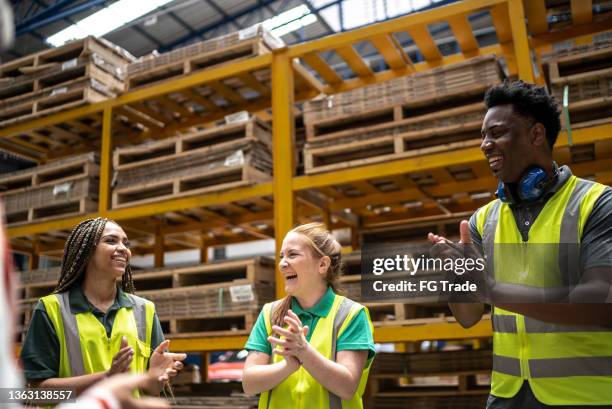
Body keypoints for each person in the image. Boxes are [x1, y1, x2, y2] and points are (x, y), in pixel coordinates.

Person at [428, 81, 612, 408]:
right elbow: (468, 316)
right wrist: (458, 277)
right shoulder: (482, 220)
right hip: (507, 395)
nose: (485, 145)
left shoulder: (596, 204)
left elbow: (601, 301)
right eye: (482, 136)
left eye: (496, 133)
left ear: (536, 134)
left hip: (584, 396)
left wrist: (493, 290)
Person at [20, 217, 186, 396]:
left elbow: (151, 390)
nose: (123, 248)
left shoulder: (144, 310)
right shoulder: (51, 309)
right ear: (86, 251)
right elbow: (33, 393)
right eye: (111, 240)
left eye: (126, 243)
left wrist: (154, 378)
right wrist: (106, 377)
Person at [242, 222, 375, 409]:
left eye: (292, 254)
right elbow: (248, 384)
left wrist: (303, 351)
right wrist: (288, 366)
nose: (282, 264)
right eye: (281, 256)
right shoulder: (269, 314)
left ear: (322, 264)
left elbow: (347, 387)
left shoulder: (351, 315)